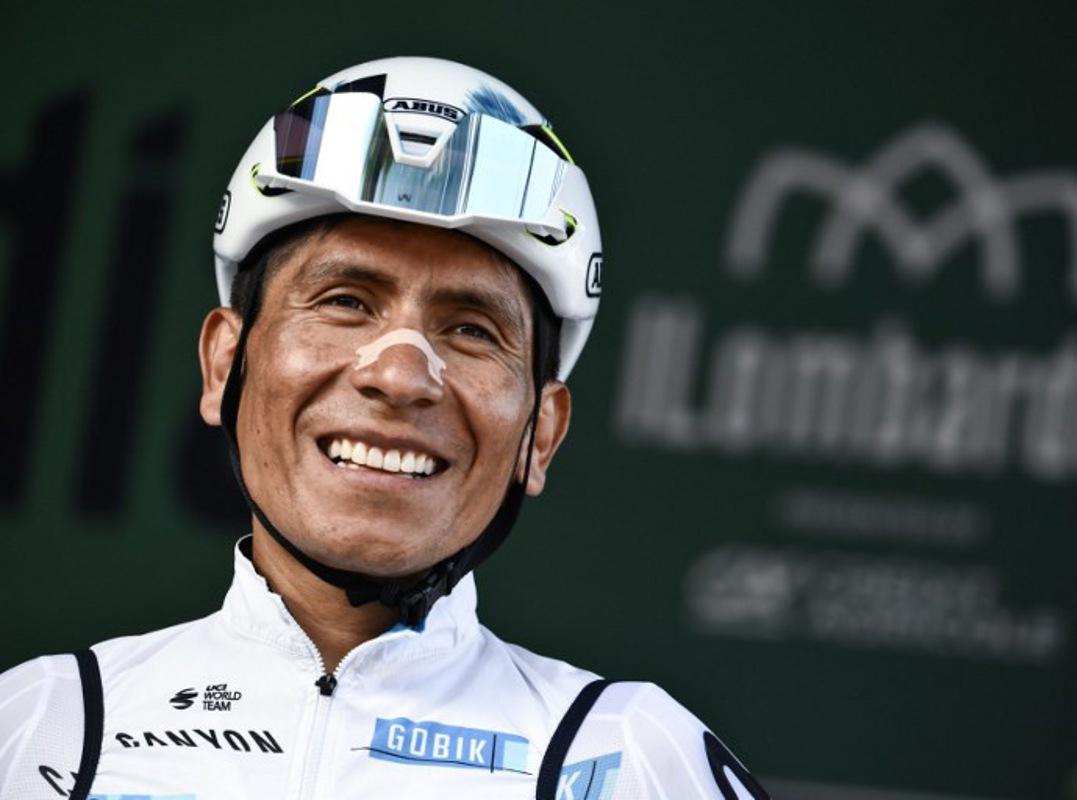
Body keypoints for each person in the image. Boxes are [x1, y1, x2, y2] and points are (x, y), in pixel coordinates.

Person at [0, 57, 768, 799]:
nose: (399, 375)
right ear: (223, 364)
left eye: (471, 328)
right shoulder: (37, 726)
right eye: (344, 301)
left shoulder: (628, 757)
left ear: (542, 432)